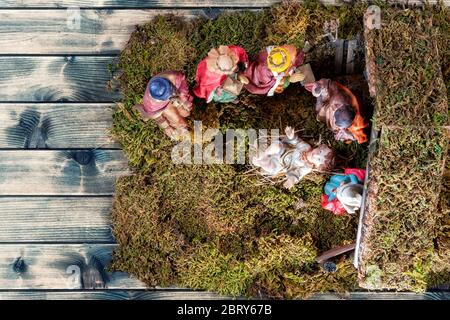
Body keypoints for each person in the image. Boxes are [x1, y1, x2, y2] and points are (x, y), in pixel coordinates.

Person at [251, 127, 335, 189]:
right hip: (282, 150)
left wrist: (291, 180)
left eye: (318, 159)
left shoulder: (307, 167)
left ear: (317, 166)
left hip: (281, 164)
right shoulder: (306, 147)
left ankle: (261, 161)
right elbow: (296, 142)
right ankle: (265, 154)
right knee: (276, 145)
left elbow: (298, 174)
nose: (315, 155)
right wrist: (291, 137)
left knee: (272, 168)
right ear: (319, 147)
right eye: (320, 152)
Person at [305, 78, 368, 144]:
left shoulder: (354, 118)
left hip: (333, 112)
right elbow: (328, 83)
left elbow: (359, 137)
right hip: (328, 99)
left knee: (321, 115)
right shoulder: (337, 97)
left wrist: (348, 134)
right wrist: (319, 88)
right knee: (318, 109)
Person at [134, 71, 193, 140]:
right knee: (178, 121)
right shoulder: (152, 105)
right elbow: (159, 118)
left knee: (186, 113)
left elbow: (182, 81)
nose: (173, 94)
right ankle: (180, 127)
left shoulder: (173, 76)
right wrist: (166, 127)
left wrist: (183, 99)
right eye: (169, 96)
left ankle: (180, 116)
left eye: (172, 91)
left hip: (172, 99)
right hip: (163, 107)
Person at [242, 45, 306, 96]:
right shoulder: (265, 75)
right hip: (257, 81)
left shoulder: (272, 55)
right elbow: (275, 84)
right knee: (281, 85)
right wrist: (289, 79)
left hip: (251, 71)